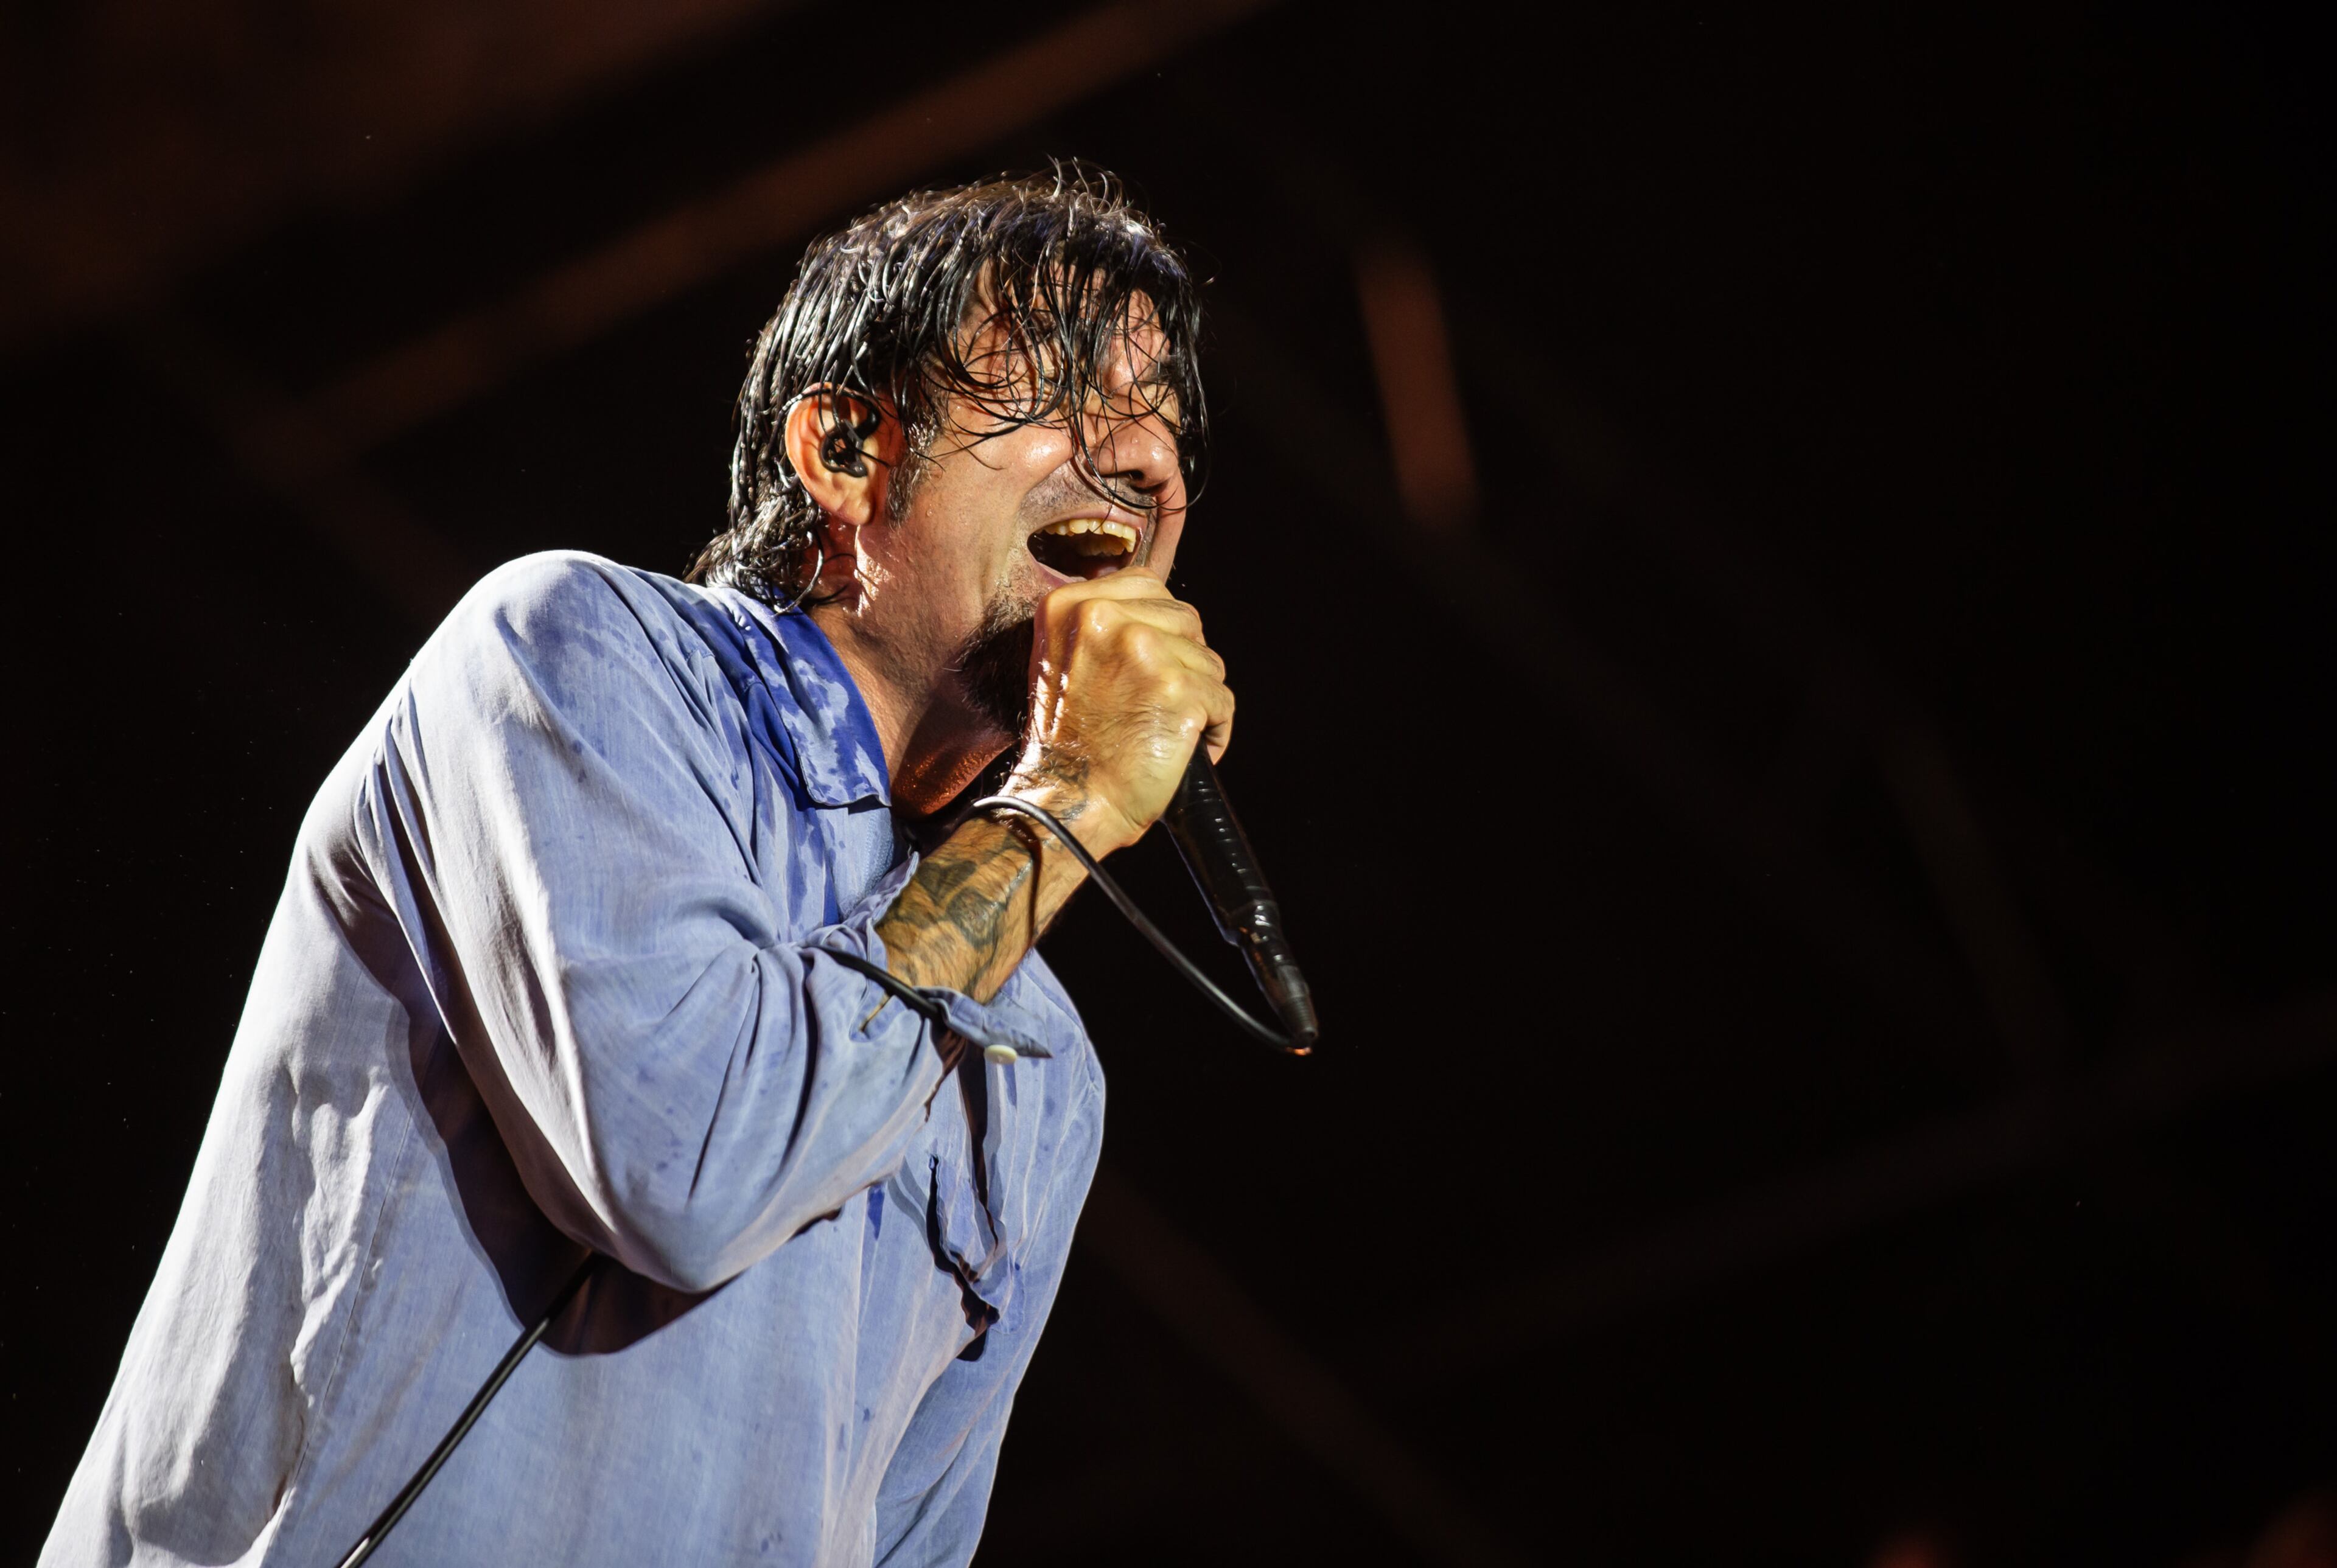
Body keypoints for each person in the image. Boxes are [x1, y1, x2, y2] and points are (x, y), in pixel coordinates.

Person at [43, 169, 1229, 1567]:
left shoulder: (1038, 1063)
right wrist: (1067, 802)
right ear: (848, 449)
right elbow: (688, 1163)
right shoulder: (579, 662)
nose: (1141, 455)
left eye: (1161, 416)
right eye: (1058, 383)